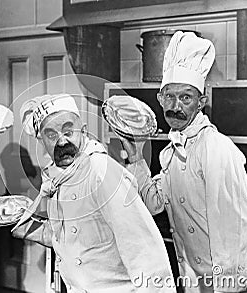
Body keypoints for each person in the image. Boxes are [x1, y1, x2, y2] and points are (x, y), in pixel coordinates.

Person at [122, 31, 247, 292]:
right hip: (203, 277)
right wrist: (136, 157)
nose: (176, 107)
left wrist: (226, 288)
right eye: (169, 97)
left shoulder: (215, 149)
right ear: (160, 99)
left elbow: (231, 230)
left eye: (186, 98)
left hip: (246, 278)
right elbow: (154, 204)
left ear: (201, 103)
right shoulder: (169, 153)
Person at [12, 93, 175, 293]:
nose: (62, 142)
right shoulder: (56, 176)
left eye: (68, 131)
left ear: (83, 131)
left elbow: (142, 247)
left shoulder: (100, 171)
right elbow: (72, 235)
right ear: (41, 140)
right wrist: (25, 224)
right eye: (52, 135)